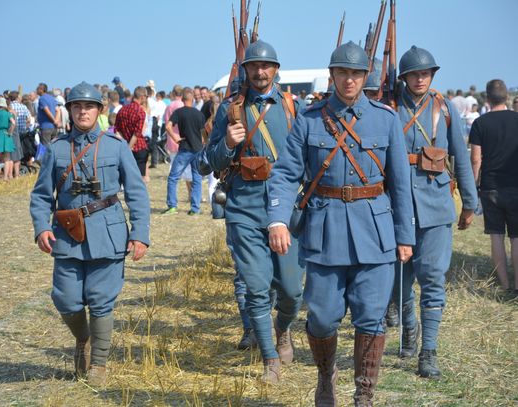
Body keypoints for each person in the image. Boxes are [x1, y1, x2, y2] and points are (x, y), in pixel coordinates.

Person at [267, 41, 414, 406]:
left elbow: (400, 183)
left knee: (372, 317)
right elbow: (285, 176)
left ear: (366, 77)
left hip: (375, 234)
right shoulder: (310, 119)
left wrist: (404, 236)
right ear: (332, 76)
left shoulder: (386, 118)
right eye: (343, 73)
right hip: (324, 232)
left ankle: (364, 393)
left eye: (356, 74)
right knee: (322, 317)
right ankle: (325, 377)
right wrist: (277, 221)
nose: (349, 80)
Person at [29, 81, 150, 387]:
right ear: (69, 110)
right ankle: (83, 338)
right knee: (66, 299)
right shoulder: (56, 149)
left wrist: (140, 233)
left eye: (89, 106)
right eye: (77, 106)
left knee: (101, 301)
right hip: (67, 236)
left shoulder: (116, 147)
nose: (83, 112)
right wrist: (42, 227)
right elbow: (42, 195)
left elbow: (137, 193)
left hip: (108, 234)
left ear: (99, 111)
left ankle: (98, 363)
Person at [207, 39, 305, 385]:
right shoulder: (229, 109)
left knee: (292, 290)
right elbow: (207, 162)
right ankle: (270, 359)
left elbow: (308, 157)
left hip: (287, 208)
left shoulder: (293, 107)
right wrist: (227, 144)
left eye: (266, 66)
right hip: (244, 208)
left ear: (276, 70)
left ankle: (282, 330)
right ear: (246, 70)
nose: (260, 72)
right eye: (254, 66)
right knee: (256, 286)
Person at [391, 46, 477, 378]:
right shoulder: (390, 109)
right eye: (414, 73)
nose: (420, 78)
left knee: (433, 281)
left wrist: (469, 202)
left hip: (436, 206)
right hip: (398, 207)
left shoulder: (444, 110)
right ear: (404, 77)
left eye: (425, 73)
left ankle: (428, 351)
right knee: (397, 284)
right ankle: (408, 325)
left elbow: (461, 157)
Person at [470, 79, 518, 293]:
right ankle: (517, 285)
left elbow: (475, 159)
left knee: (496, 236)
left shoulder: (480, 123)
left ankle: (505, 284)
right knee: (516, 237)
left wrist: (473, 184)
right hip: (515, 186)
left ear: (487, 99)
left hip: (490, 187)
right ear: (507, 97)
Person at [163, 87, 205, 215]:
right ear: (192, 100)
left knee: (173, 177)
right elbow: (203, 134)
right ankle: (195, 209)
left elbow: (168, 126)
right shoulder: (199, 114)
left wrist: (175, 137)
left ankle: (172, 206)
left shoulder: (179, 112)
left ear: (182, 99)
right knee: (197, 179)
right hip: (197, 149)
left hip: (185, 148)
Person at [115, 86, 149, 179]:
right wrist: (129, 148)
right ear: (142, 97)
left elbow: (117, 131)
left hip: (125, 147)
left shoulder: (121, 110)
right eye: (146, 97)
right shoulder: (140, 112)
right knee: (140, 179)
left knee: (128, 178)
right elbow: (136, 134)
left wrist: (125, 146)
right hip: (138, 148)